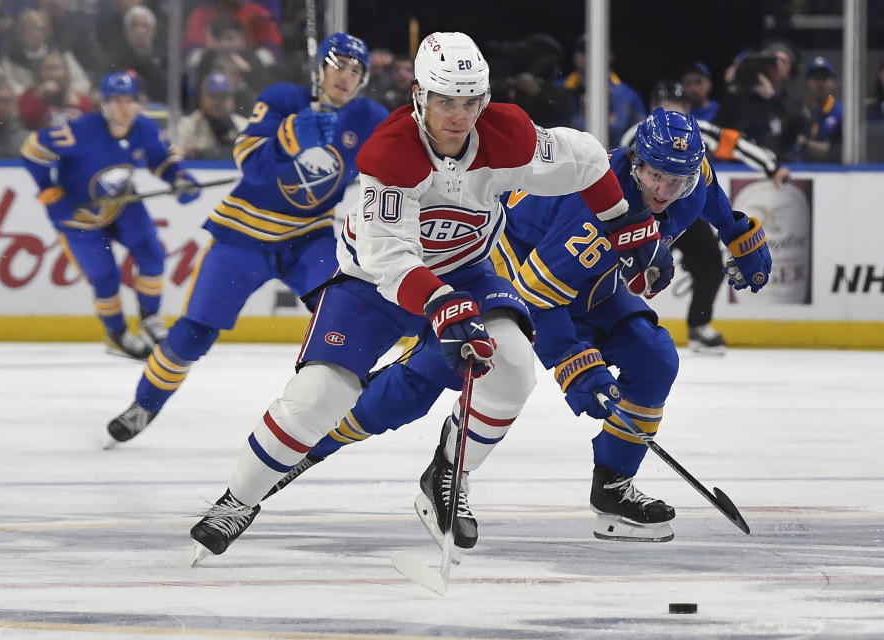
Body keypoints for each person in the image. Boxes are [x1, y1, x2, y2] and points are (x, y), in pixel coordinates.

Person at [187, 31, 653, 563]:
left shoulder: (509, 137)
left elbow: (587, 159)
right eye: (444, 101)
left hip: (468, 273)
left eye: (469, 102)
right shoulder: (389, 154)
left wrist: (625, 221)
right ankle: (238, 501)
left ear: (484, 100)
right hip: (372, 287)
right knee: (319, 397)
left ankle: (450, 474)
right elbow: (391, 260)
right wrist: (440, 305)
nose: (457, 115)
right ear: (419, 97)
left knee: (515, 365)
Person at [264, 107, 772, 544]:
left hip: (589, 281)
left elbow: (708, 198)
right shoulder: (595, 212)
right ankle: (316, 442)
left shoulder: (690, 178)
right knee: (428, 380)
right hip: (519, 277)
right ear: (636, 162)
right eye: (655, 175)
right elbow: (542, 299)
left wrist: (738, 233)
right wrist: (577, 366)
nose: (664, 189)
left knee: (654, 358)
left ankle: (612, 488)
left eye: (675, 180)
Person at [104, 33, 388, 444]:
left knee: (345, 312)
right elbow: (250, 164)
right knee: (193, 334)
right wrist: (291, 137)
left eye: (356, 70)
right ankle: (143, 406)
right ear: (321, 67)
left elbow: (402, 162)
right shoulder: (284, 98)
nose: (346, 75)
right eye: (339, 64)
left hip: (307, 239)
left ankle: (346, 408)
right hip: (242, 235)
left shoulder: (370, 118)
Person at [20, 71, 201, 359]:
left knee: (152, 254)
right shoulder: (80, 131)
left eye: (130, 100)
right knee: (106, 278)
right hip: (78, 219)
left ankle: (149, 318)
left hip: (121, 205)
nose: (124, 107)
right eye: (116, 100)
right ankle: (117, 334)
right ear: (103, 104)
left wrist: (179, 178)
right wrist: (50, 192)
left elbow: (160, 159)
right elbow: (33, 150)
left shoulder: (145, 128)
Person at [621, 82, 786, 353]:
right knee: (626, 272)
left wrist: (770, 166)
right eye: (665, 105)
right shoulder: (637, 136)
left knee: (710, 264)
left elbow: (733, 143)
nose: (672, 111)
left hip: (685, 208)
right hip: (639, 215)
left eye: (678, 105)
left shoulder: (696, 134)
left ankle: (699, 325)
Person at [554, 35, 645, 145]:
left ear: (610, 56)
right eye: (583, 51)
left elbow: (639, 134)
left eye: (595, 51)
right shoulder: (558, 89)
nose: (588, 57)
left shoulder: (627, 96)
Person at [178, 72, 248, 159]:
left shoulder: (244, 126)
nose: (218, 102)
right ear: (202, 98)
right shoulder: (186, 126)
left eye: (223, 96)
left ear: (231, 100)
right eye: (213, 96)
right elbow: (176, 157)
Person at [791, 56, 843, 163]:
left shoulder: (841, 113)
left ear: (833, 82)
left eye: (824, 77)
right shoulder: (795, 112)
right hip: (799, 170)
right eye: (815, 77)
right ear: (807, 82)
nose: (819, 83)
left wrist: (806, 145)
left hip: (833, 171)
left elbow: (839, 150)